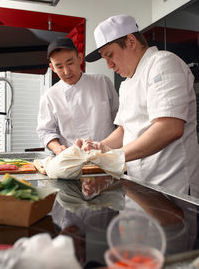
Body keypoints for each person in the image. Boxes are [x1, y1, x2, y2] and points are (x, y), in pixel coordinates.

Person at [76, 14, 199, 199]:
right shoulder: (126, 83)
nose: (109, 65)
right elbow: (125, 130)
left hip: (173, 186)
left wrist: (113, 158)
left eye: (110, 55)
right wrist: (99, 147)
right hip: (141, 185)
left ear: (131, 41)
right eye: (105, 59)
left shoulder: (163, 63)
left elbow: (170, 127)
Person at [37, 37, 119, 155]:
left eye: (70, 63)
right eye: (59, 67)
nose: (66, 72)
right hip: (73, 159)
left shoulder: (102, 82)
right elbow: (46, 131)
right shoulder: (49, 96)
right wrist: (58, 149)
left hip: (106, 154)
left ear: (80, 58)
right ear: (52, 68)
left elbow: (119, 119)